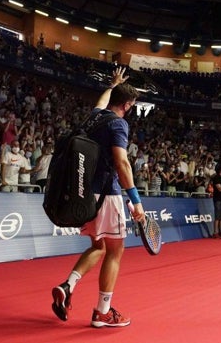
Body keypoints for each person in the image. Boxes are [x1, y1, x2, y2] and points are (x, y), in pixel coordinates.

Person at [51, 67, 145, 328]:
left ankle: (67, 285)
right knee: (116, 250)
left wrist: (113, 84)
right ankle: (102, 312)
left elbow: (101, 102)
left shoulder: (94, 118)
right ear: (127, 105)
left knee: (98, 246)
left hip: (84, 194)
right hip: (108, 193)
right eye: (132, 105)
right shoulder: (118, 124)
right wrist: (136, 200)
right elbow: (122, 162)